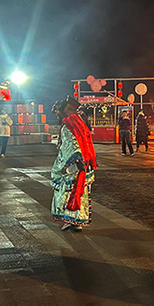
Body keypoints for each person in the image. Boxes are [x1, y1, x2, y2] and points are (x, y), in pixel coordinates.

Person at [51, 96, 97, 231]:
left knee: (69, 192)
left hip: (73, 164)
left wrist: (74, 161)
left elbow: (72, 144)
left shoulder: (68, 125)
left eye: (57, 112)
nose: (57, 115)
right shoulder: (77, 122)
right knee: (78, 192)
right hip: (81, 162)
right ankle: (76, 221)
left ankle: (73, 220)